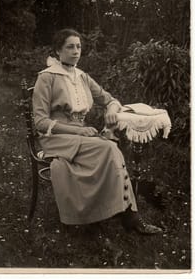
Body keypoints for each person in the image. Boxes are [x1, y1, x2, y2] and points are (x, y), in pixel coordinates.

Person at [32, 28, 162, 235]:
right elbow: (39, 122)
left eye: (79, 47)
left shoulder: (82, 77)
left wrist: (111, 110)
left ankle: (117, 212)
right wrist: (77, 132)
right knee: (110, 148)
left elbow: (109, 99)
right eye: (70, 47)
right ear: (58, 50)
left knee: (109, 147)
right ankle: (128, 216)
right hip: (56, 137)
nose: (76, 51)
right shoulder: (46, 78)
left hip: (80, 134)